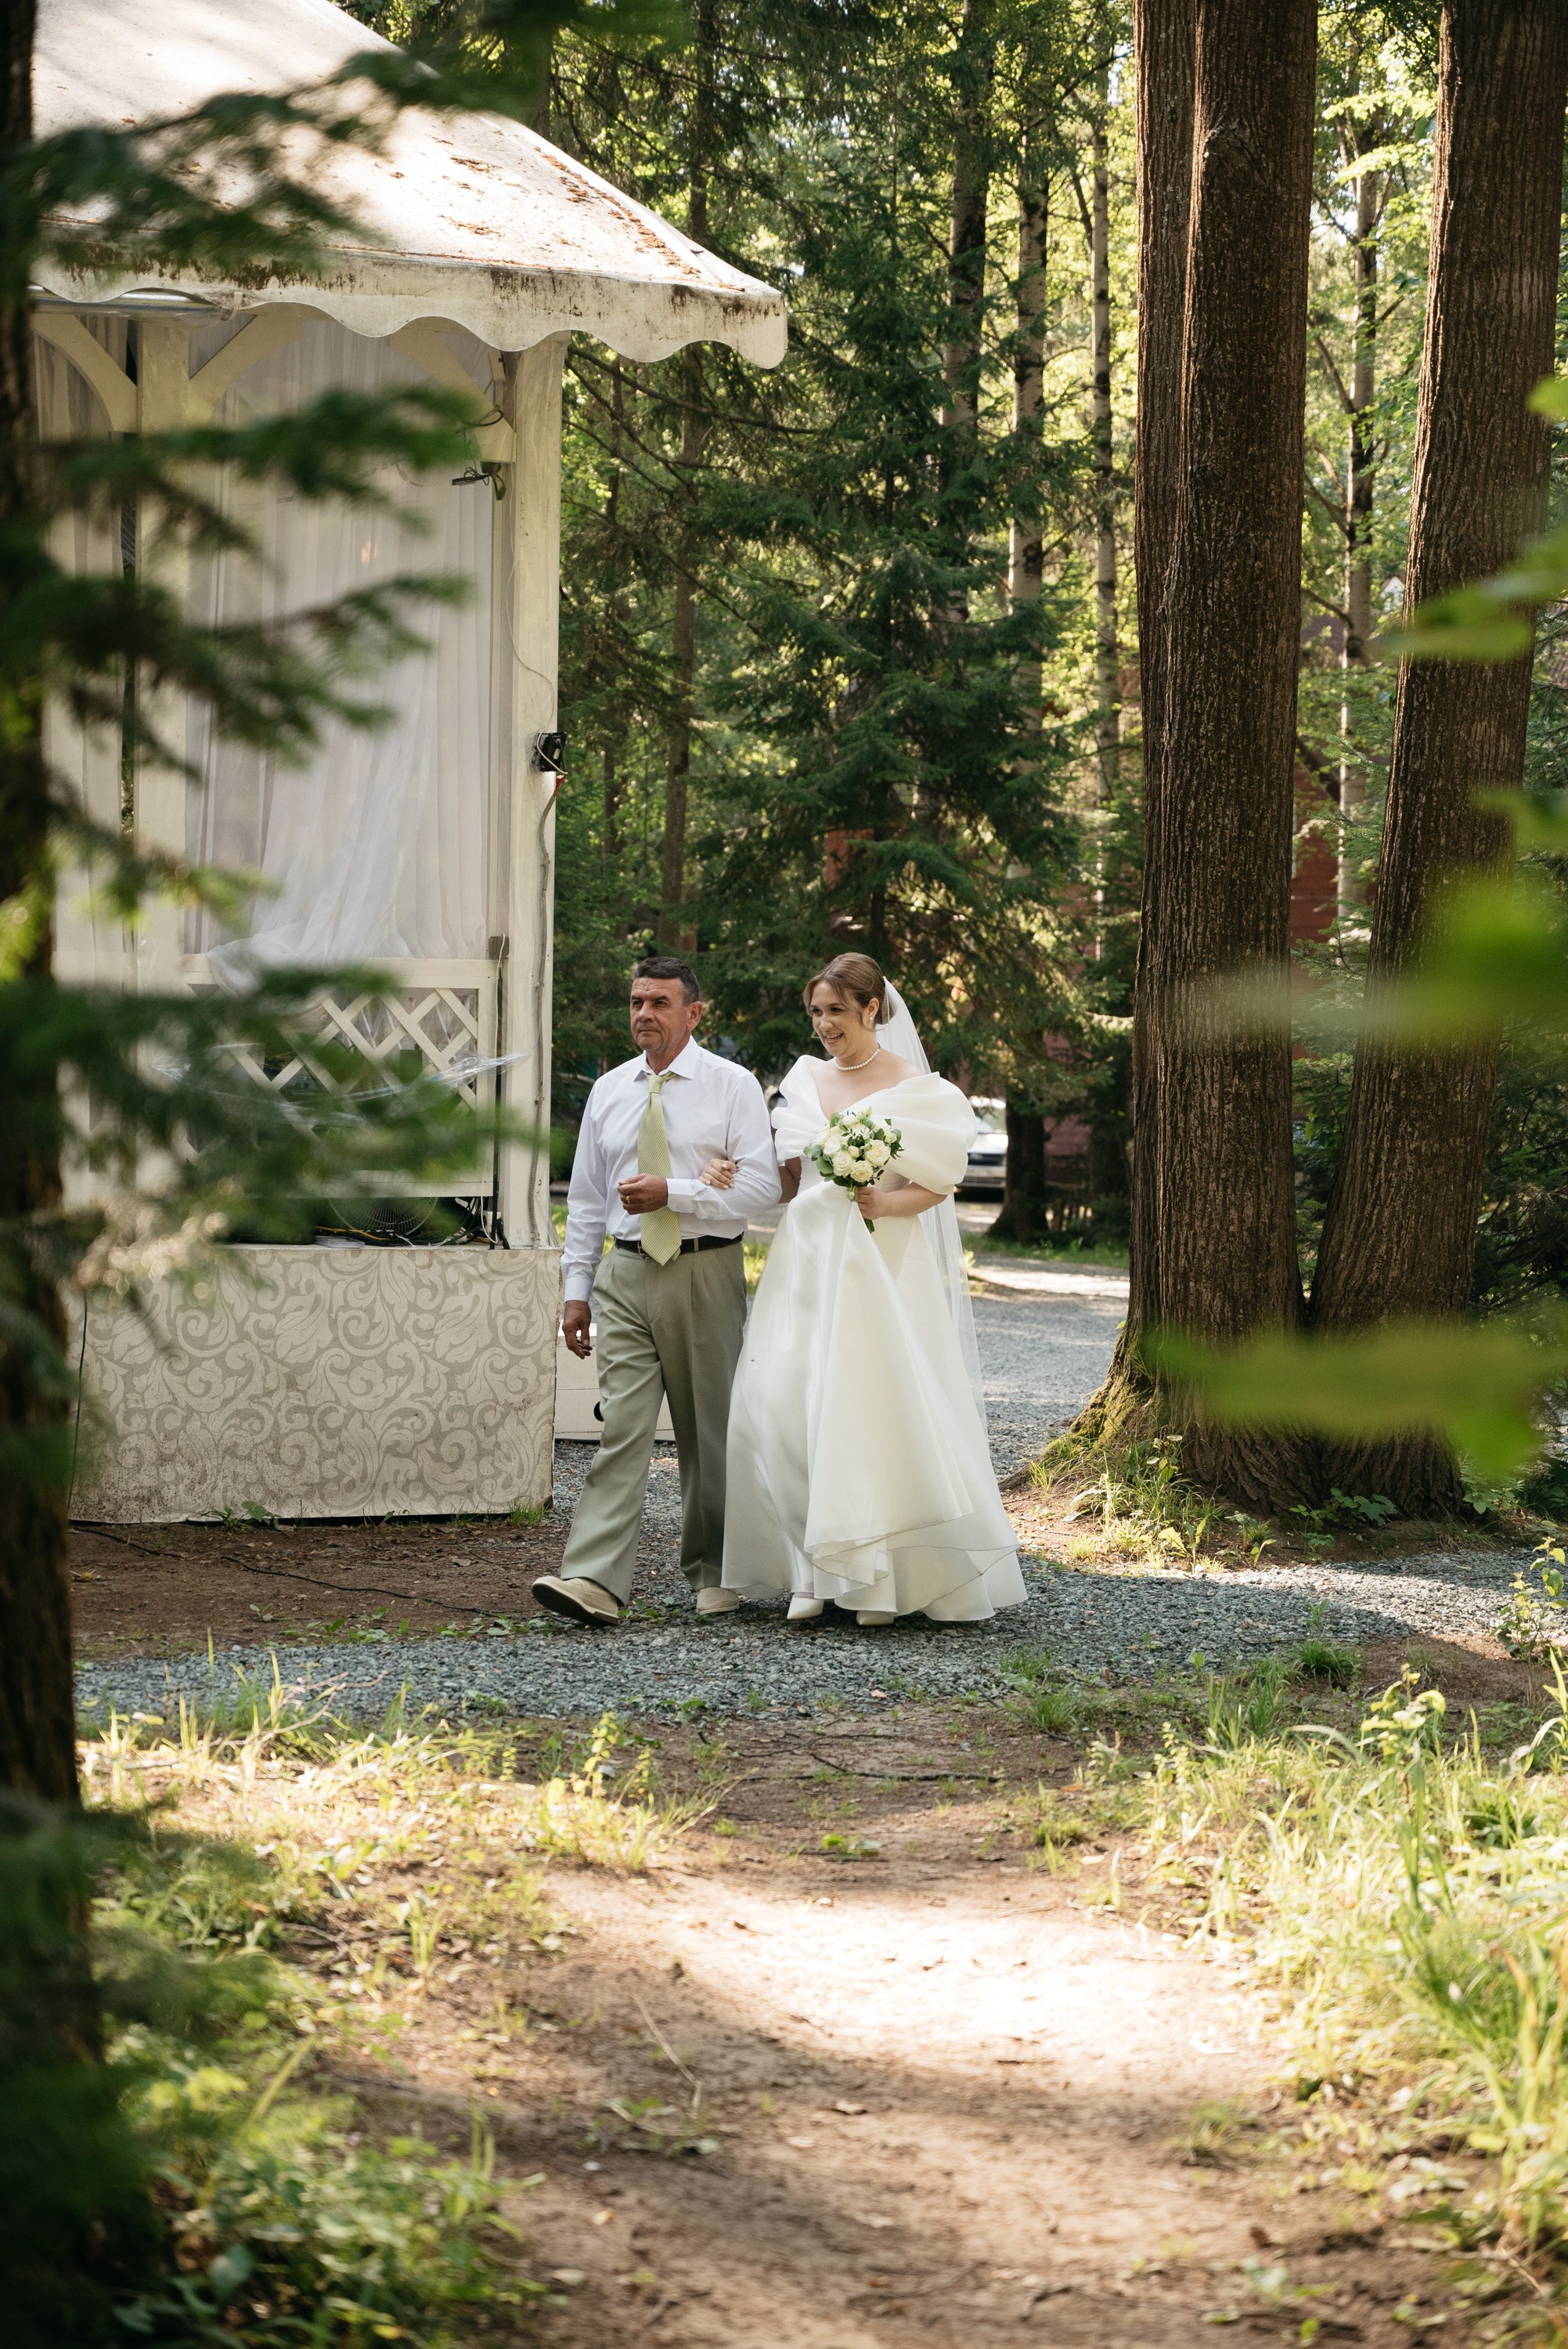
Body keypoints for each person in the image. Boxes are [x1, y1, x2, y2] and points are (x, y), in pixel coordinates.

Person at [718, 954, 1025, 1627]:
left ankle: (878, 1581)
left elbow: (939, 1181)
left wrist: (883, 1208)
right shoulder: (803, 1080)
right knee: (786, 1403)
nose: (825, 1025)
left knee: (869, 1407)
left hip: (879, 1261)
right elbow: (790, 1172)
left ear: (870, 1009)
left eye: (835, 1011)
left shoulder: (918, 1088)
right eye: (816, 1013)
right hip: (807, 1256)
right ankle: (812, 1570)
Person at [532, 956, 780, 1628]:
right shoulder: (609, 1090)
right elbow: (584, 1200)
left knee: (709, 1430)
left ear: (694, 1014)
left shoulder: (732, 1087)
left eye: (660, 1003)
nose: (644, 1014)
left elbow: (759, 1191)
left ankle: (715, 1571)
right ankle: (592, 1578)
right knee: (622, 1428)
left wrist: (676, 1191)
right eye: (637, 1001)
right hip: (624, 1273)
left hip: (706, 1271)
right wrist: (575, 1291)